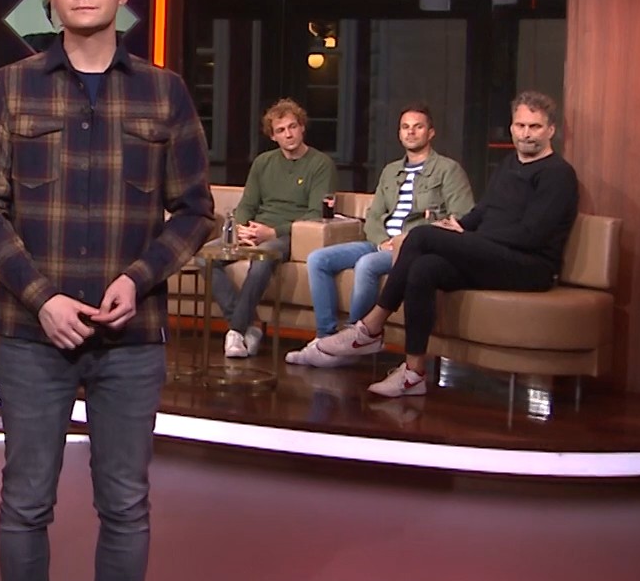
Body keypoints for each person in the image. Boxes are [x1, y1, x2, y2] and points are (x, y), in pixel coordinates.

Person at [0, 0, 214, 581]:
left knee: (126, 506)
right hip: (31, 332)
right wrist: (41, 296)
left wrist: (137, 279)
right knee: (25, 504)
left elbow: (195, 211)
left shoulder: (164, 94)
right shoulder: (10, 88)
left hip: (129, 340)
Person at [309, 91, 579, 398]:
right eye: (520, 126)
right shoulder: (509, 165)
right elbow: (484, 210)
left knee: (421, 235)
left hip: (530, 266)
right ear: (512, 127)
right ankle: (413, 373)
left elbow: (532, 235)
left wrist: (468, 239)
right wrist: (459, 226)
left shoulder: (558, 174)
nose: (526, 133)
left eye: (534, 127)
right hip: (494, 254)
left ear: (550, 130)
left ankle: (370, 327)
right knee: (424, 269)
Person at [288, 104, 474, 365]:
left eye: (418, 127)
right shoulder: (390, 171)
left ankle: (355, 339)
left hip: (413, 248)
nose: (411, 132)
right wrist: (382, 241)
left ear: (430, 132)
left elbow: (462, 217)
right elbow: (374, 215)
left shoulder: (448, 170)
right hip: (380, 242)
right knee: (318, 259)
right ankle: (325, 338)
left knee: (367, 264)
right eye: (405, 127)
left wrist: (407, 241)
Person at [213, 99, 335, 359]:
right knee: (206, 256)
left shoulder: (320, 164)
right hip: (255, 231)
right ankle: (249, 326)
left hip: (290, 234)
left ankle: (235, 331)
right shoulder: (263, 163)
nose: (288, 134)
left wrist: (272, 233)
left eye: (292, 127)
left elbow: (315, 215)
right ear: (273, 136)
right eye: (281, 130)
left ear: (302, 128)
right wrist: (241, 230)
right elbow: (247, 205)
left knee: (262, 258)